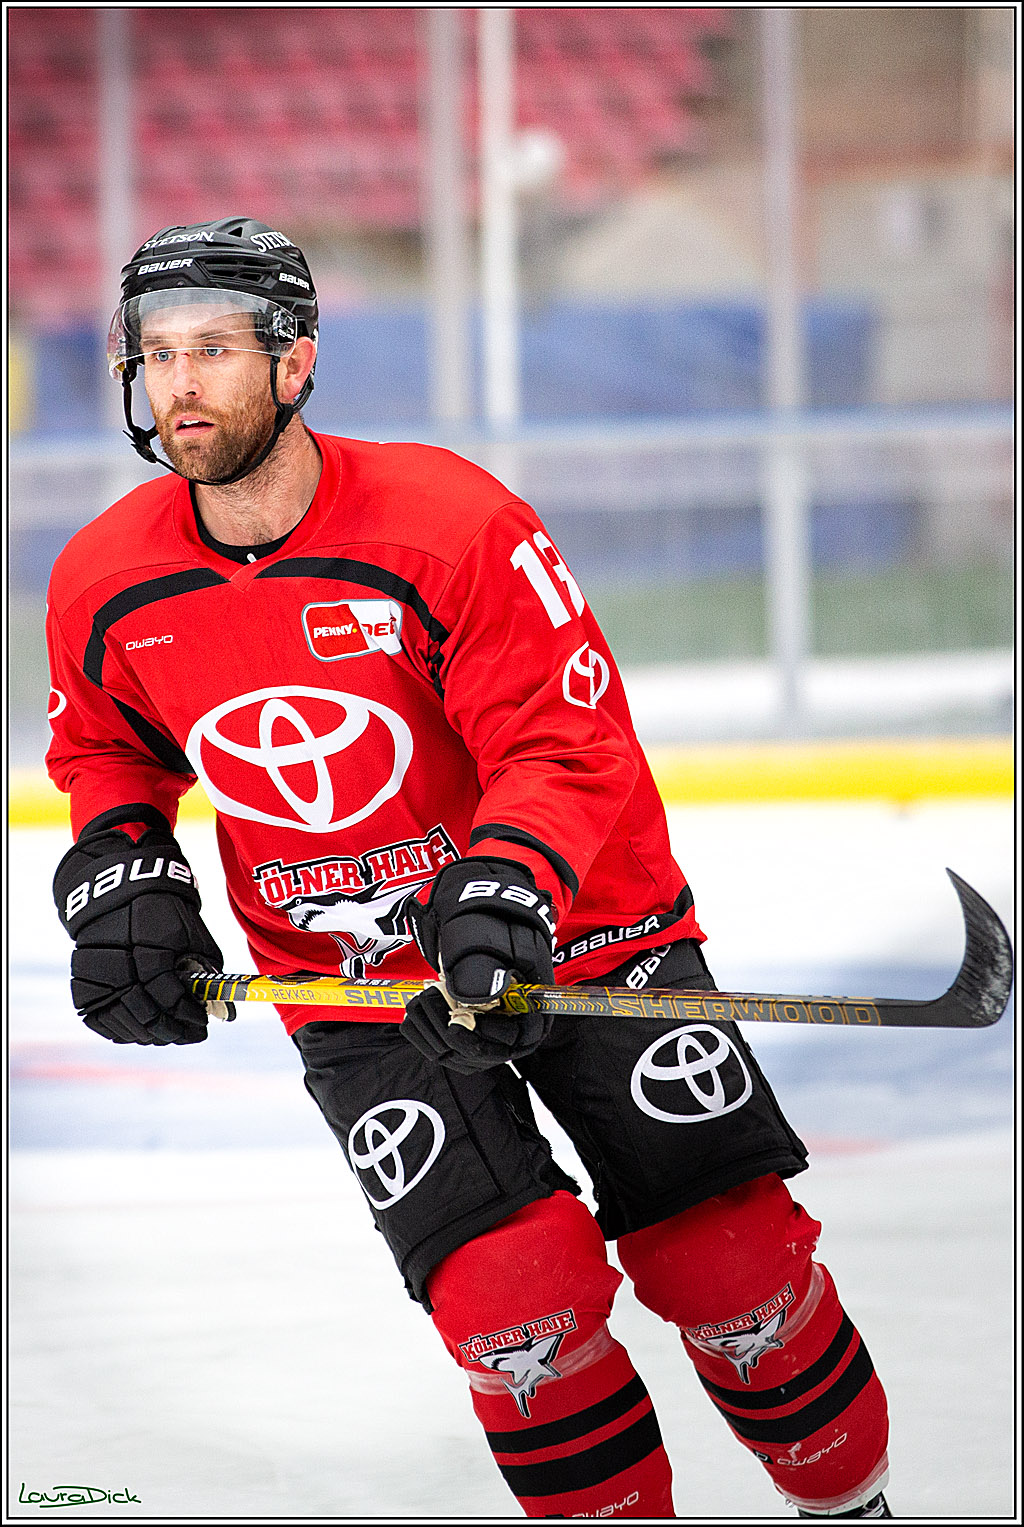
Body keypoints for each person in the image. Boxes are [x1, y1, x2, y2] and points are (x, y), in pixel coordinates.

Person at [46, 218, 891, 1520]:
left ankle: (855, 1509)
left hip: (588, 932)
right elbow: (107, 754)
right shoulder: (106, 578)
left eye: (214, 349)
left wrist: (505, 881)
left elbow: (564, 737)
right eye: (156, 355)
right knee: (516, 1316)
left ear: (296, 363)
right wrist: (125, 885)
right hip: (360, 988)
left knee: (733, 1275)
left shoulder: (448, 522)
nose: (180, 385)